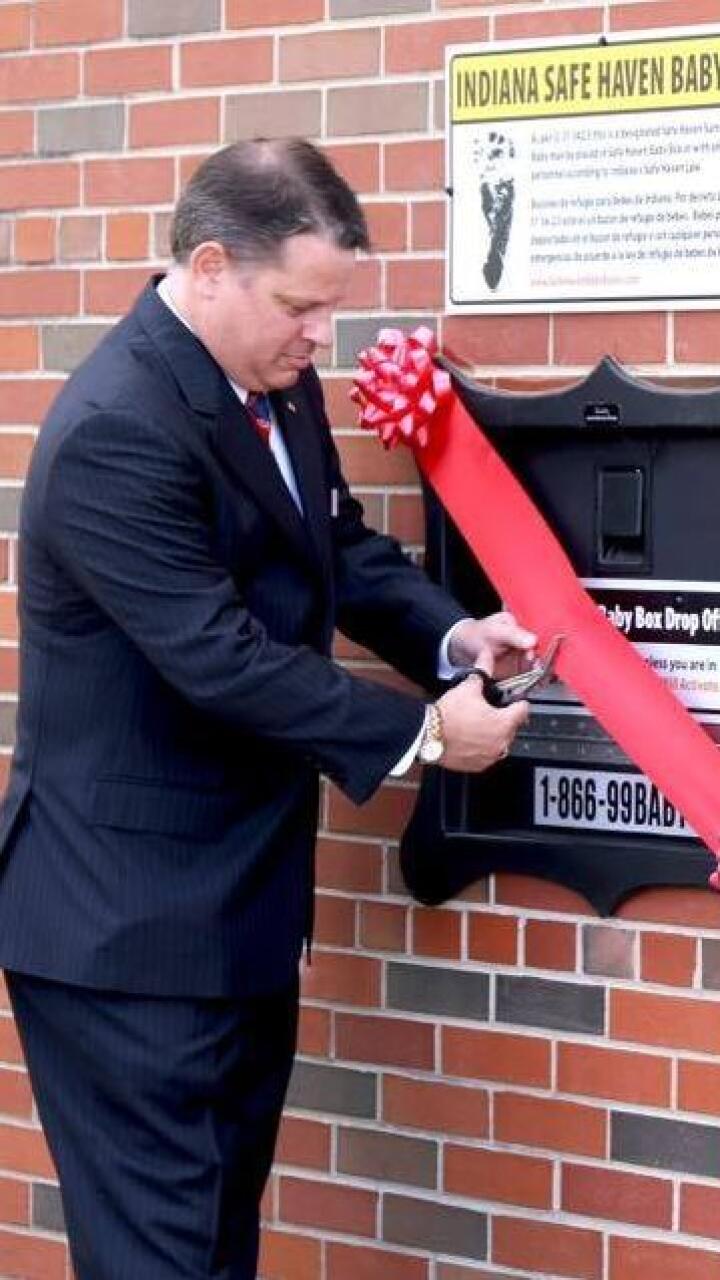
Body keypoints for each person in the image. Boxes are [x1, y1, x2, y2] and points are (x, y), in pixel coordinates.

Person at [0, 139, 533, 1279]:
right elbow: (219, 657)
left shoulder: (276, 390)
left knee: (214, 1250)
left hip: (238, 915)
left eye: (329, 309)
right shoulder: (117, 427)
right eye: (300, 306)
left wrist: (454, 637)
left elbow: (335, 546)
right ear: (209, 268)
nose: (320, 336)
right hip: (125, 936)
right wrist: (427, 733)